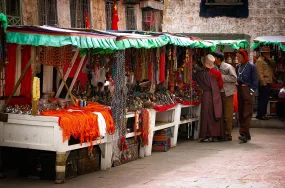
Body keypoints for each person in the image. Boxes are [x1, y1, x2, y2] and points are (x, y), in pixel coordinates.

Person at [193, 54, 224, 142]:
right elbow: (220, 84)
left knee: (207, 114)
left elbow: (194, 79)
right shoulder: (216, 73)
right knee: (214, 113)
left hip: (206, 95)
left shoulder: (200, 74)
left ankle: (207, 134)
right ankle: (215, 134)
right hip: (216, 94)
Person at [212, 52, 237, 141]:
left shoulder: (228, 67)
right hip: (218, 93)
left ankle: (228, 134)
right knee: (220, 114)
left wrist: (221, 77)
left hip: (227, 93)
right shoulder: (214, 67)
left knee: (227, 115)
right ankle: (221, 133)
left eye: (214, 57)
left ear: (218, 58)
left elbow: (234, 78)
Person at [236, 49, 258, 143]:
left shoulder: (251, 66)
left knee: (247, 113)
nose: (237, 59)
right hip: (240, 90)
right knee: (241, 112)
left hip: (247, 90)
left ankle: (244, 133)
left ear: (244, 56)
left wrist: (251, 91)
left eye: (239, 57)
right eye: (237, 57)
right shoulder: (238, 66)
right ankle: (246, 134)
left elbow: (255, 81)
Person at [255, 46, 275, 120]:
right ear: (263, 53)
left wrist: (270, 59)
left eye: (268, 53)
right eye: (266, 53)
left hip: (268, 81)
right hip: (264, 82)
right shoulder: (259, 61)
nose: (268, 54)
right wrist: (264, 83)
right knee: (262, 100)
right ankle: (260, 115)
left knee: (265, 99)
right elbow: (259, 73)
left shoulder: (267, 61)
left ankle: (263, 114)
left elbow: (274, 65)